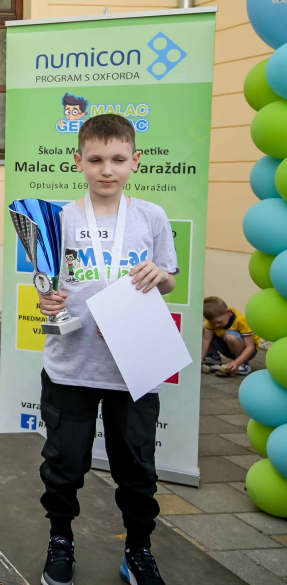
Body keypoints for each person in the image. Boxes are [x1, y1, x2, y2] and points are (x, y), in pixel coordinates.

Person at [36, 114, 178, 585]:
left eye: (118, 159)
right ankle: (61, 540)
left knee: (137, 468)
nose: (106, 170)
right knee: (64, 465)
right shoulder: (58, 218)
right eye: (95, 159)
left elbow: (170, 277)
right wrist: (47, 299)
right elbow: (46, 288)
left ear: (135, 161)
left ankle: (138, 549)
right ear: (78, 161)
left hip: (133, 368)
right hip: (71, 366)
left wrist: (162, 275)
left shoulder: (151, 217)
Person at [202, 296, 257, 377]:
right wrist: (200, 359)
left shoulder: (241, 321)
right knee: (204, 329)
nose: (216, 325)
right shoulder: (214, 321)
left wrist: (237, 363)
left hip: (247, 351)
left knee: (230, 335)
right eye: (213, 323)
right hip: (227, 347)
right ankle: (213, 356)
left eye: (219, 322)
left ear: (228, 312)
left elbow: (250, 347)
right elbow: (206, 339)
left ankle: (243, 364)